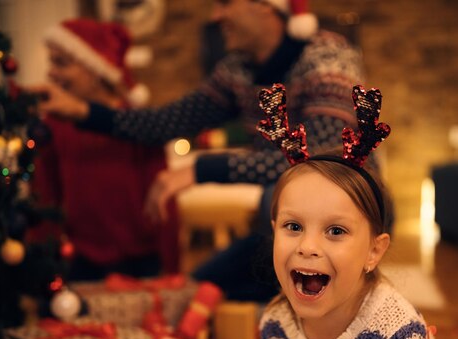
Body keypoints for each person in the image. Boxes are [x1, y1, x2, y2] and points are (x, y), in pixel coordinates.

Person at [32, 0, 370, 299]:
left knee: (282, 200)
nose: (215, 15)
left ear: (266, 6)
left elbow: (317, 160)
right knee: (194, 290)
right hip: (283, 220)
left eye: (224, 3)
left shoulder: (327, 58)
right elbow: (165, 123)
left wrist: (198, 170)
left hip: (351, 205)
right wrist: (82, 112)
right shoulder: (237, 70)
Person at [258, 85, 458, 339]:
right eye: (294, 227)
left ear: (374, 252)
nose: (308, 247)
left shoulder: (393, 338)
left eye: (335, 231)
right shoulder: (275, 325)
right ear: (274, 231)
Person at [30, 18, 179, 280]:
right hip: (80, 261)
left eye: (61, 63)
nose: (51, 73)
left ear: (95, 69)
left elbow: (164, 205)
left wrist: (171, 269)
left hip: (142, 262)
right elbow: (45, 197)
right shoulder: (54, 125)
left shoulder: (139, 123)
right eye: (51, 62)